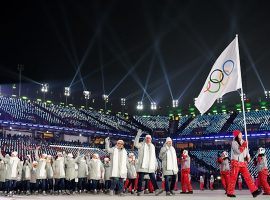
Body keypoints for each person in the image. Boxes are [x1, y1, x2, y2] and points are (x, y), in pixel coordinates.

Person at [227, 130, 261, 198]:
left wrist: (248, 157)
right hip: (235, 162)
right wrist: (243, 145)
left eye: (241, 134)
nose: (241, 135)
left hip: (242, 163)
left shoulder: (243, 142)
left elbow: (245, 152)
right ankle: (230, 192)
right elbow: (237, 151)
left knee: (248, 177)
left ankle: (254, 191)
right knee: (233, 178)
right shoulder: (234, 142)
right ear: (236, 135)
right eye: (240, 134)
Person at [134, 129, 163, 196]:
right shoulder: (141, 145)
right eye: (147, 138)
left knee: (153, 178)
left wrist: (156, 164)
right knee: (140, 179)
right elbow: (135, 144)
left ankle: (156, 190)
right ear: (145, 139)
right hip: (143, 165)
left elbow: (154, 156)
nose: (148, 139)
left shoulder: (152, 146)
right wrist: (138, 135)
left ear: (151, 139)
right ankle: (139, 191)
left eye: (149, 138)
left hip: (150, 165)